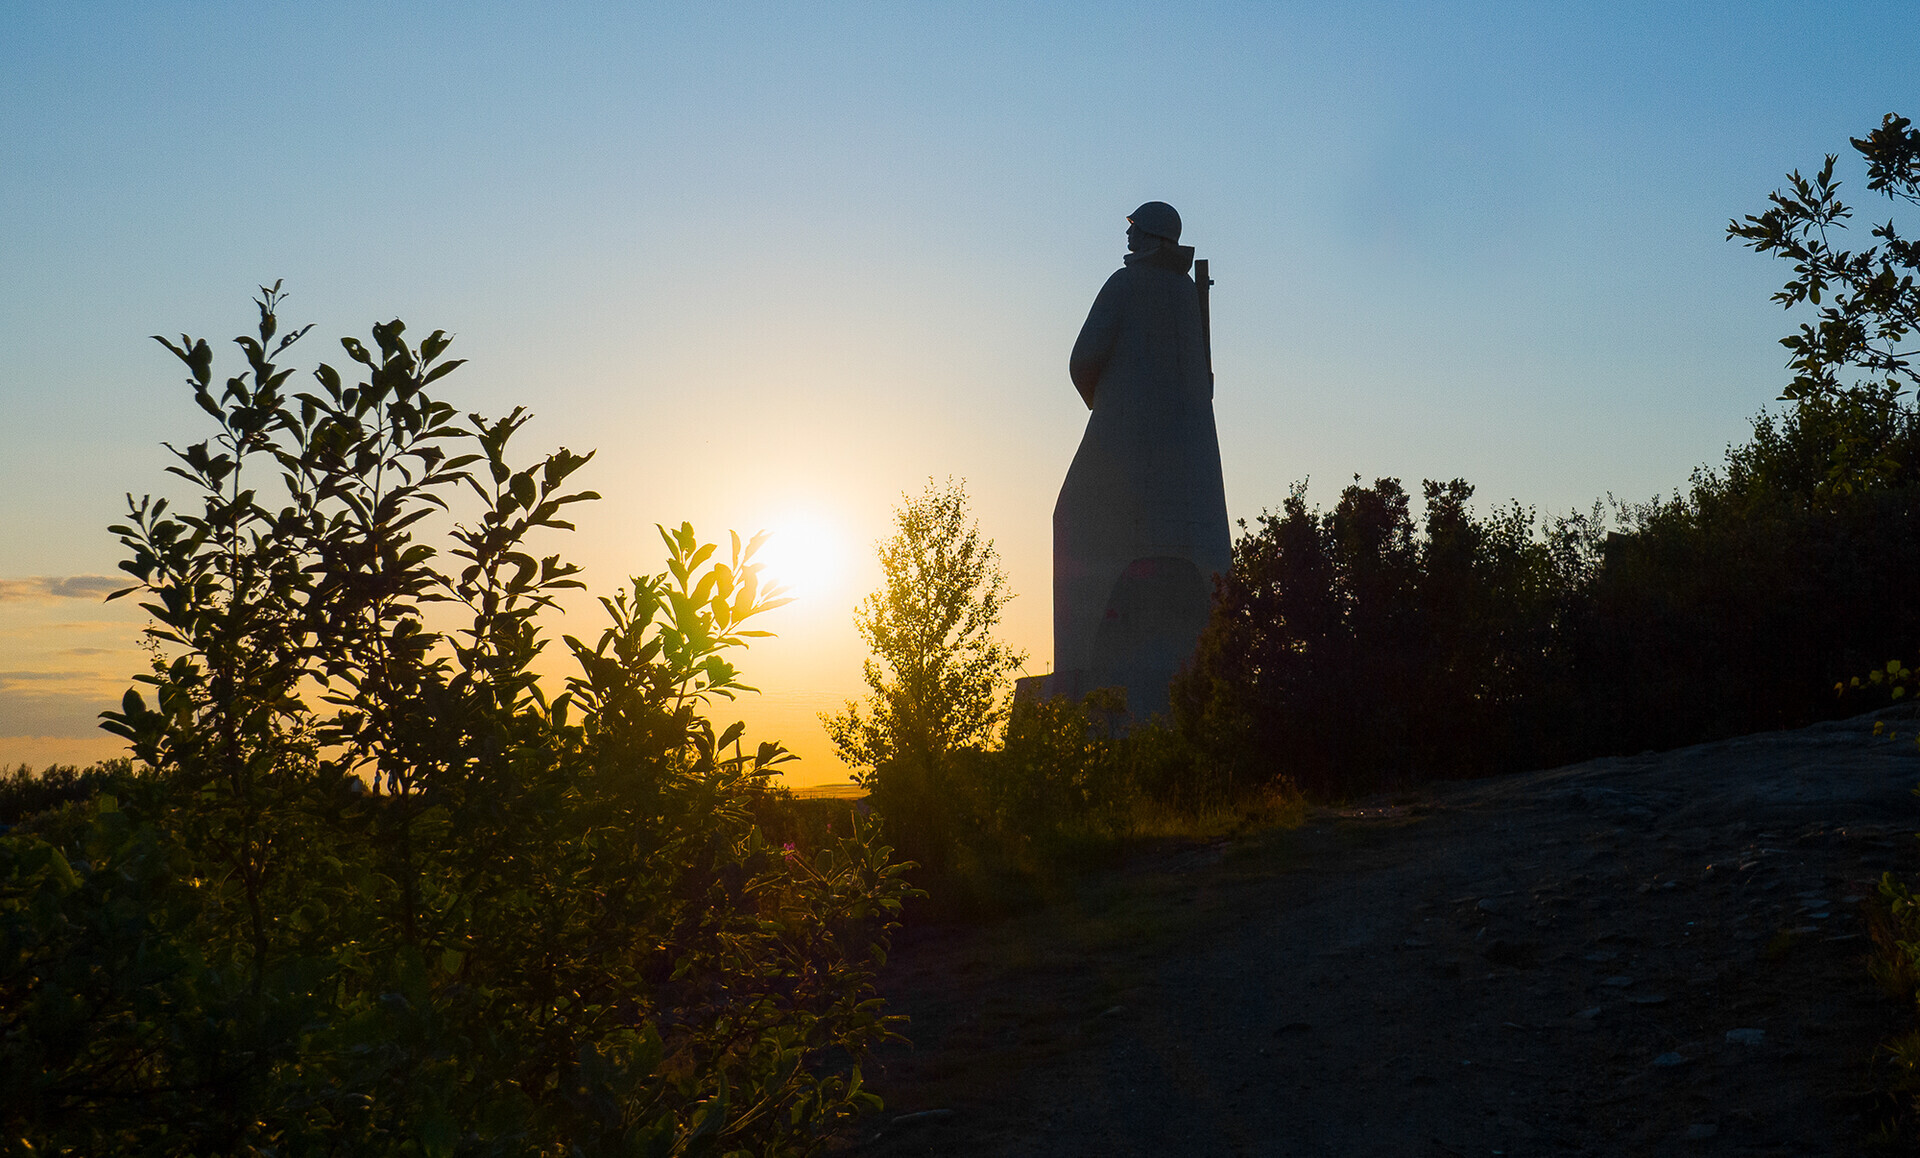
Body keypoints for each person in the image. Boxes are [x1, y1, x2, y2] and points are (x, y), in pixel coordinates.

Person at [1046, 201, 1231, 722]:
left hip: (1120, 448)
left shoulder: (1124, 287)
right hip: (1194, 478)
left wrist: (1109, 405)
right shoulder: (1185, 300)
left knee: (1072, 519)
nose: (1128, 242)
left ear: (1150, 239)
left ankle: (1080, 681)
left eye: (1135, 234)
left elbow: (1083, 360)